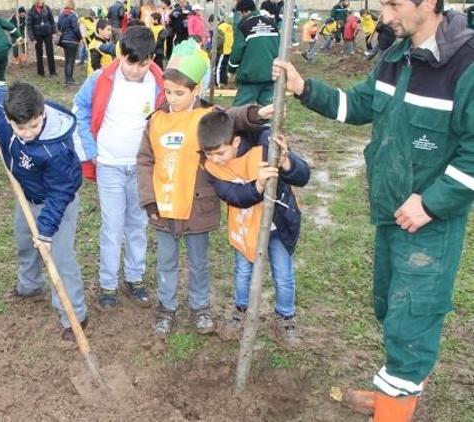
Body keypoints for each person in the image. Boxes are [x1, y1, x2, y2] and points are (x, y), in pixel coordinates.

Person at [272, 3, 474, 420]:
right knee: (390, 304)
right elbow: (358, 104)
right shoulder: (396, 57)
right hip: (390, 211)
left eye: (394, 4)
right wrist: (303, 87)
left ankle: (395, 405)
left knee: (412, 317)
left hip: (429, 224)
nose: (384, 14)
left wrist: (432, 203)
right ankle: (398, 392)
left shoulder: (465, 66)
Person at [136, 39, 269, 335]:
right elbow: (144, 160)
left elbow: (232, 117)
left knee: (199, 262)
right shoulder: (155, 121)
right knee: (166, 262)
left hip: (197, 206)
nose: (172, 98)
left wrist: (255, 114)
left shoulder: (206, 117)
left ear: (196, 90)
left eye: (179, 93)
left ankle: (200, 308)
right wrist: (148, 200)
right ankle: (166, 308)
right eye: (168, 91)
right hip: (164, 207)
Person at [0, 82, 87, 342]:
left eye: (34, 125)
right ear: (9, 118)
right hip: (26, 194)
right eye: (21, 127)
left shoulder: (58, 148)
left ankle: (74, 314)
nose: (28, 132)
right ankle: (29, 286)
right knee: (24, 242)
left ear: (43, 114)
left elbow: (61, 192)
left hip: (57, 204)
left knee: (59, 258)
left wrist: (47, 231)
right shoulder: (1, 105)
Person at [198, 111, 309, 347]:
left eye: (220, 153)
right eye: (210, 154)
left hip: (278, 226)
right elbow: (233, 195)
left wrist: (286, 163)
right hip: (246, 225)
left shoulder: (266, 146)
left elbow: (302, 175)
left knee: (283, 275)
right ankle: (240, 310)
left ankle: (285, 318)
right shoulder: (213, 168)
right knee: (242, 272)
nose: (216, 159)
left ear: (236, 142)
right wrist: (257, 185)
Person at [73, 26, 164, 309]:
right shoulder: (100, 79)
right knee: (112, 226)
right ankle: (108, 284)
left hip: (140, 168)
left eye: (143, 64)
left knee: (137, 224)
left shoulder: (158, 82)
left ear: (151, 59)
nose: (136, 70)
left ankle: (134, 278)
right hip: (109, 165)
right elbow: (81, 109)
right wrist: (91, 150)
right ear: (119, 54)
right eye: (130, 63)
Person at [228, 0, 279, 106]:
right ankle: (266, 123)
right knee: (267, 109)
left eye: (240, 14)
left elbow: (237, 51)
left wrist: (231, 70)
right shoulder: (271, 24)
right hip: (271, 73)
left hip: (251, 75)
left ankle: (235, 122)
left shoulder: (244, 26)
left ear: (244, 12)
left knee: (239, 108)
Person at [27, 0, 57, 77]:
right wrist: (32, 38)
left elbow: (52, 21)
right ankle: (40, 72)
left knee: (50, 52)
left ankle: (52, 72)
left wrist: (54, 32)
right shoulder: (31, 12)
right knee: (39, 53)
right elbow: (29, 26)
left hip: (48, 33)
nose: (42, 2)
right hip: (37, 34)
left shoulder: (47, 8)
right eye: (40, 1)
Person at [57, 0, 81, 85]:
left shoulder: (61, 15)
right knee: (71, 61)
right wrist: (80, 37)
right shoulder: (73, 15)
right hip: (72, 40)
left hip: (64, 40)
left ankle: (67, 78)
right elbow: (76, 28)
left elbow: (59, 27)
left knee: (67, 60)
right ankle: (69, 79)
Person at [215, 16, 234, 86]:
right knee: (224, 67)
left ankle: (217, 84)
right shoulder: (229, 26)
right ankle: (224, 82)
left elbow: (220, 40)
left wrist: (214, 48)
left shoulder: (220, 27)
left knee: (218, 67)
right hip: (229, 49)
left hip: (222, 50)